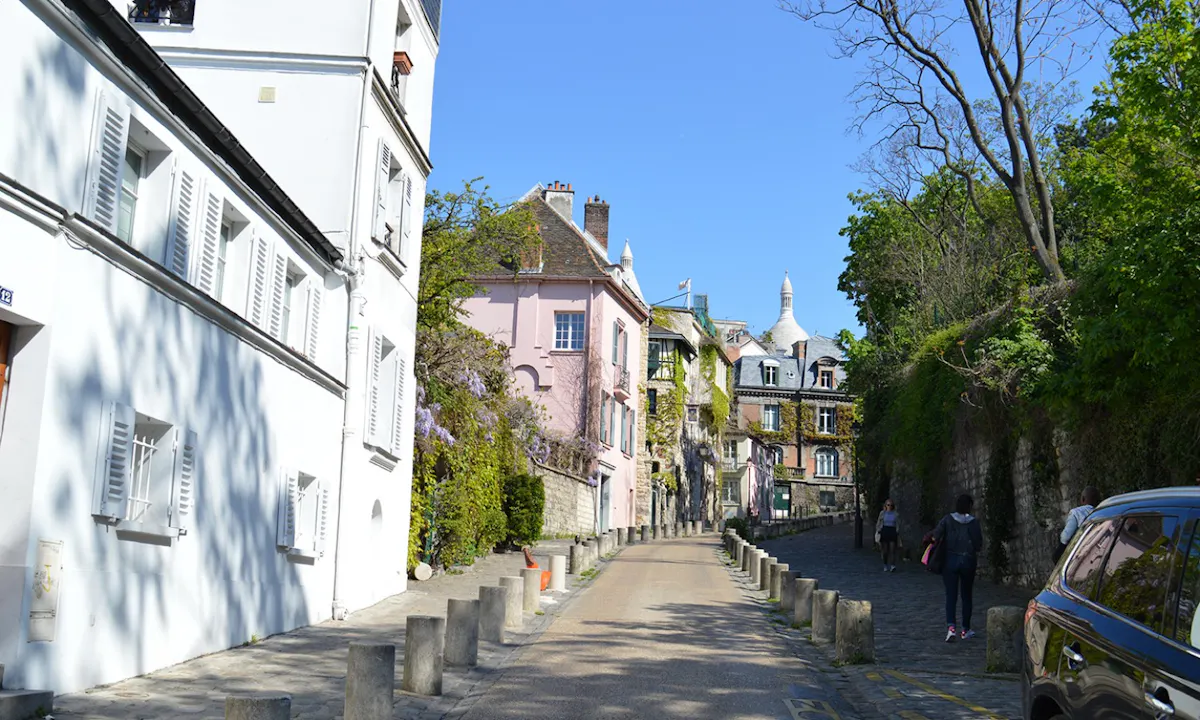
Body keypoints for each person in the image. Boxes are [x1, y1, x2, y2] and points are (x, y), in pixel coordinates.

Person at [927, 494, 983, 642]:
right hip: (968, 561)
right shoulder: (973, 523)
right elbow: (978, 545)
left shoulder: (947, 520)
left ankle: (951, 628)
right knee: (966, 596)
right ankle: (965, 629)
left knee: (950, 596)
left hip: (950, 560)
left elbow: (936, 536)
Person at [1054, 486, 1101, 562]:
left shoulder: (1077, 513)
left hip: (1080, 550)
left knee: (1056, 556)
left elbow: (1065, 538)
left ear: (1083, 499)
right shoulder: (1103, 512)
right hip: (1098, 547)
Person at [875, 499, 902, 572]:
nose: (889, 506)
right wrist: (878, 530)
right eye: (888, 505)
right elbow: (879, 522)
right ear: (885, 505)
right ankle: (885, 564)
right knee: (885, 550)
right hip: (885, 531)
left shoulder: (895, 514)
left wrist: (897, 531)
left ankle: (893, 565)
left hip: (892, 531)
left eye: (891, 505)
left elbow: (898, 523)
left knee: (893, 549)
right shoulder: (882, 513)